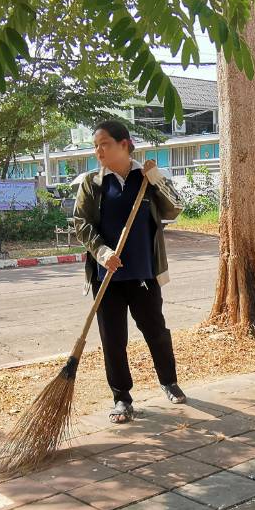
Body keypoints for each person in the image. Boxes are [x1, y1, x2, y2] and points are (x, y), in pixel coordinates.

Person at [72, 119, 186, 424]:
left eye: (104, 144)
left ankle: (169, 381)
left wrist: (156, 177)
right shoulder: (92, 183)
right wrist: (102, 252)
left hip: (144, 273)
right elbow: (82, 224)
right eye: (95, 146)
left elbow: (175, 208)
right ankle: (122, 398)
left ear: (125, 144)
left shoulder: (145, 177)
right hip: (106, 275)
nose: (98, 151)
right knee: (113, 339)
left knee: (155, 330)